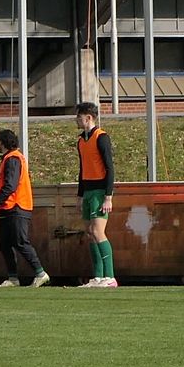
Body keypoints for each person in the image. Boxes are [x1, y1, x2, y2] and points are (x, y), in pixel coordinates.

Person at [0, 130, 51, 288]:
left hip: (17, 206)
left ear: (3, 142)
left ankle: (40, 273)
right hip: (9, 207)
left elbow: (10, 186)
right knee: (5, 243)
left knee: (20, 241)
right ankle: (13, 278)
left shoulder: (13, 159)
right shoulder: (11, 158)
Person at [75, 102, 117, 287]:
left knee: (98, 231)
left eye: (79, 117)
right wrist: (80, 196)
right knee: (90, 233)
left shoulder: (101, 137)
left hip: (100, 191)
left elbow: (109, 168)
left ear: (88, 117)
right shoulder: (81, 141)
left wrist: (108, 197)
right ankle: (98, 276)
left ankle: (110, 276)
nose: (76, 120)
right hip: (88, 191)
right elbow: (82, 169)